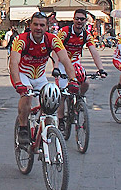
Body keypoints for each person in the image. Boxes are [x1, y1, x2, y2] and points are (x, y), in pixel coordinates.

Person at [10, 12, 75, 145]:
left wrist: (72, 80)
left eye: (42, 25)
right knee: (27, 96)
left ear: (47, 27)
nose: (38, 28)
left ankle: (41, 128)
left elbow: (66, 60)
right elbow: (13, 63)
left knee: (50, 101)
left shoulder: (52, 39)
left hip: (39, 76)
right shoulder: (21, 40)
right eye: (35, 24)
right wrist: (18, 84)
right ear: (30, 25)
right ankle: (23, 128)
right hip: (23, 74)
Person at [54, 9, 108, 129]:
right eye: (77, 18)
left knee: (86, 83)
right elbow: (55, 50)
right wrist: (56, 67)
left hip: (75, 62)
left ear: (85, 21)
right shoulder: (64, 32)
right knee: (62, 92)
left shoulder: (86, 35)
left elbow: (94, 52)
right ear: (73, 19)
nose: (79, 21)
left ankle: (79, 99)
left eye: (82, 19)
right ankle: (61, 119)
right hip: (63, 63)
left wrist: (101, 69)